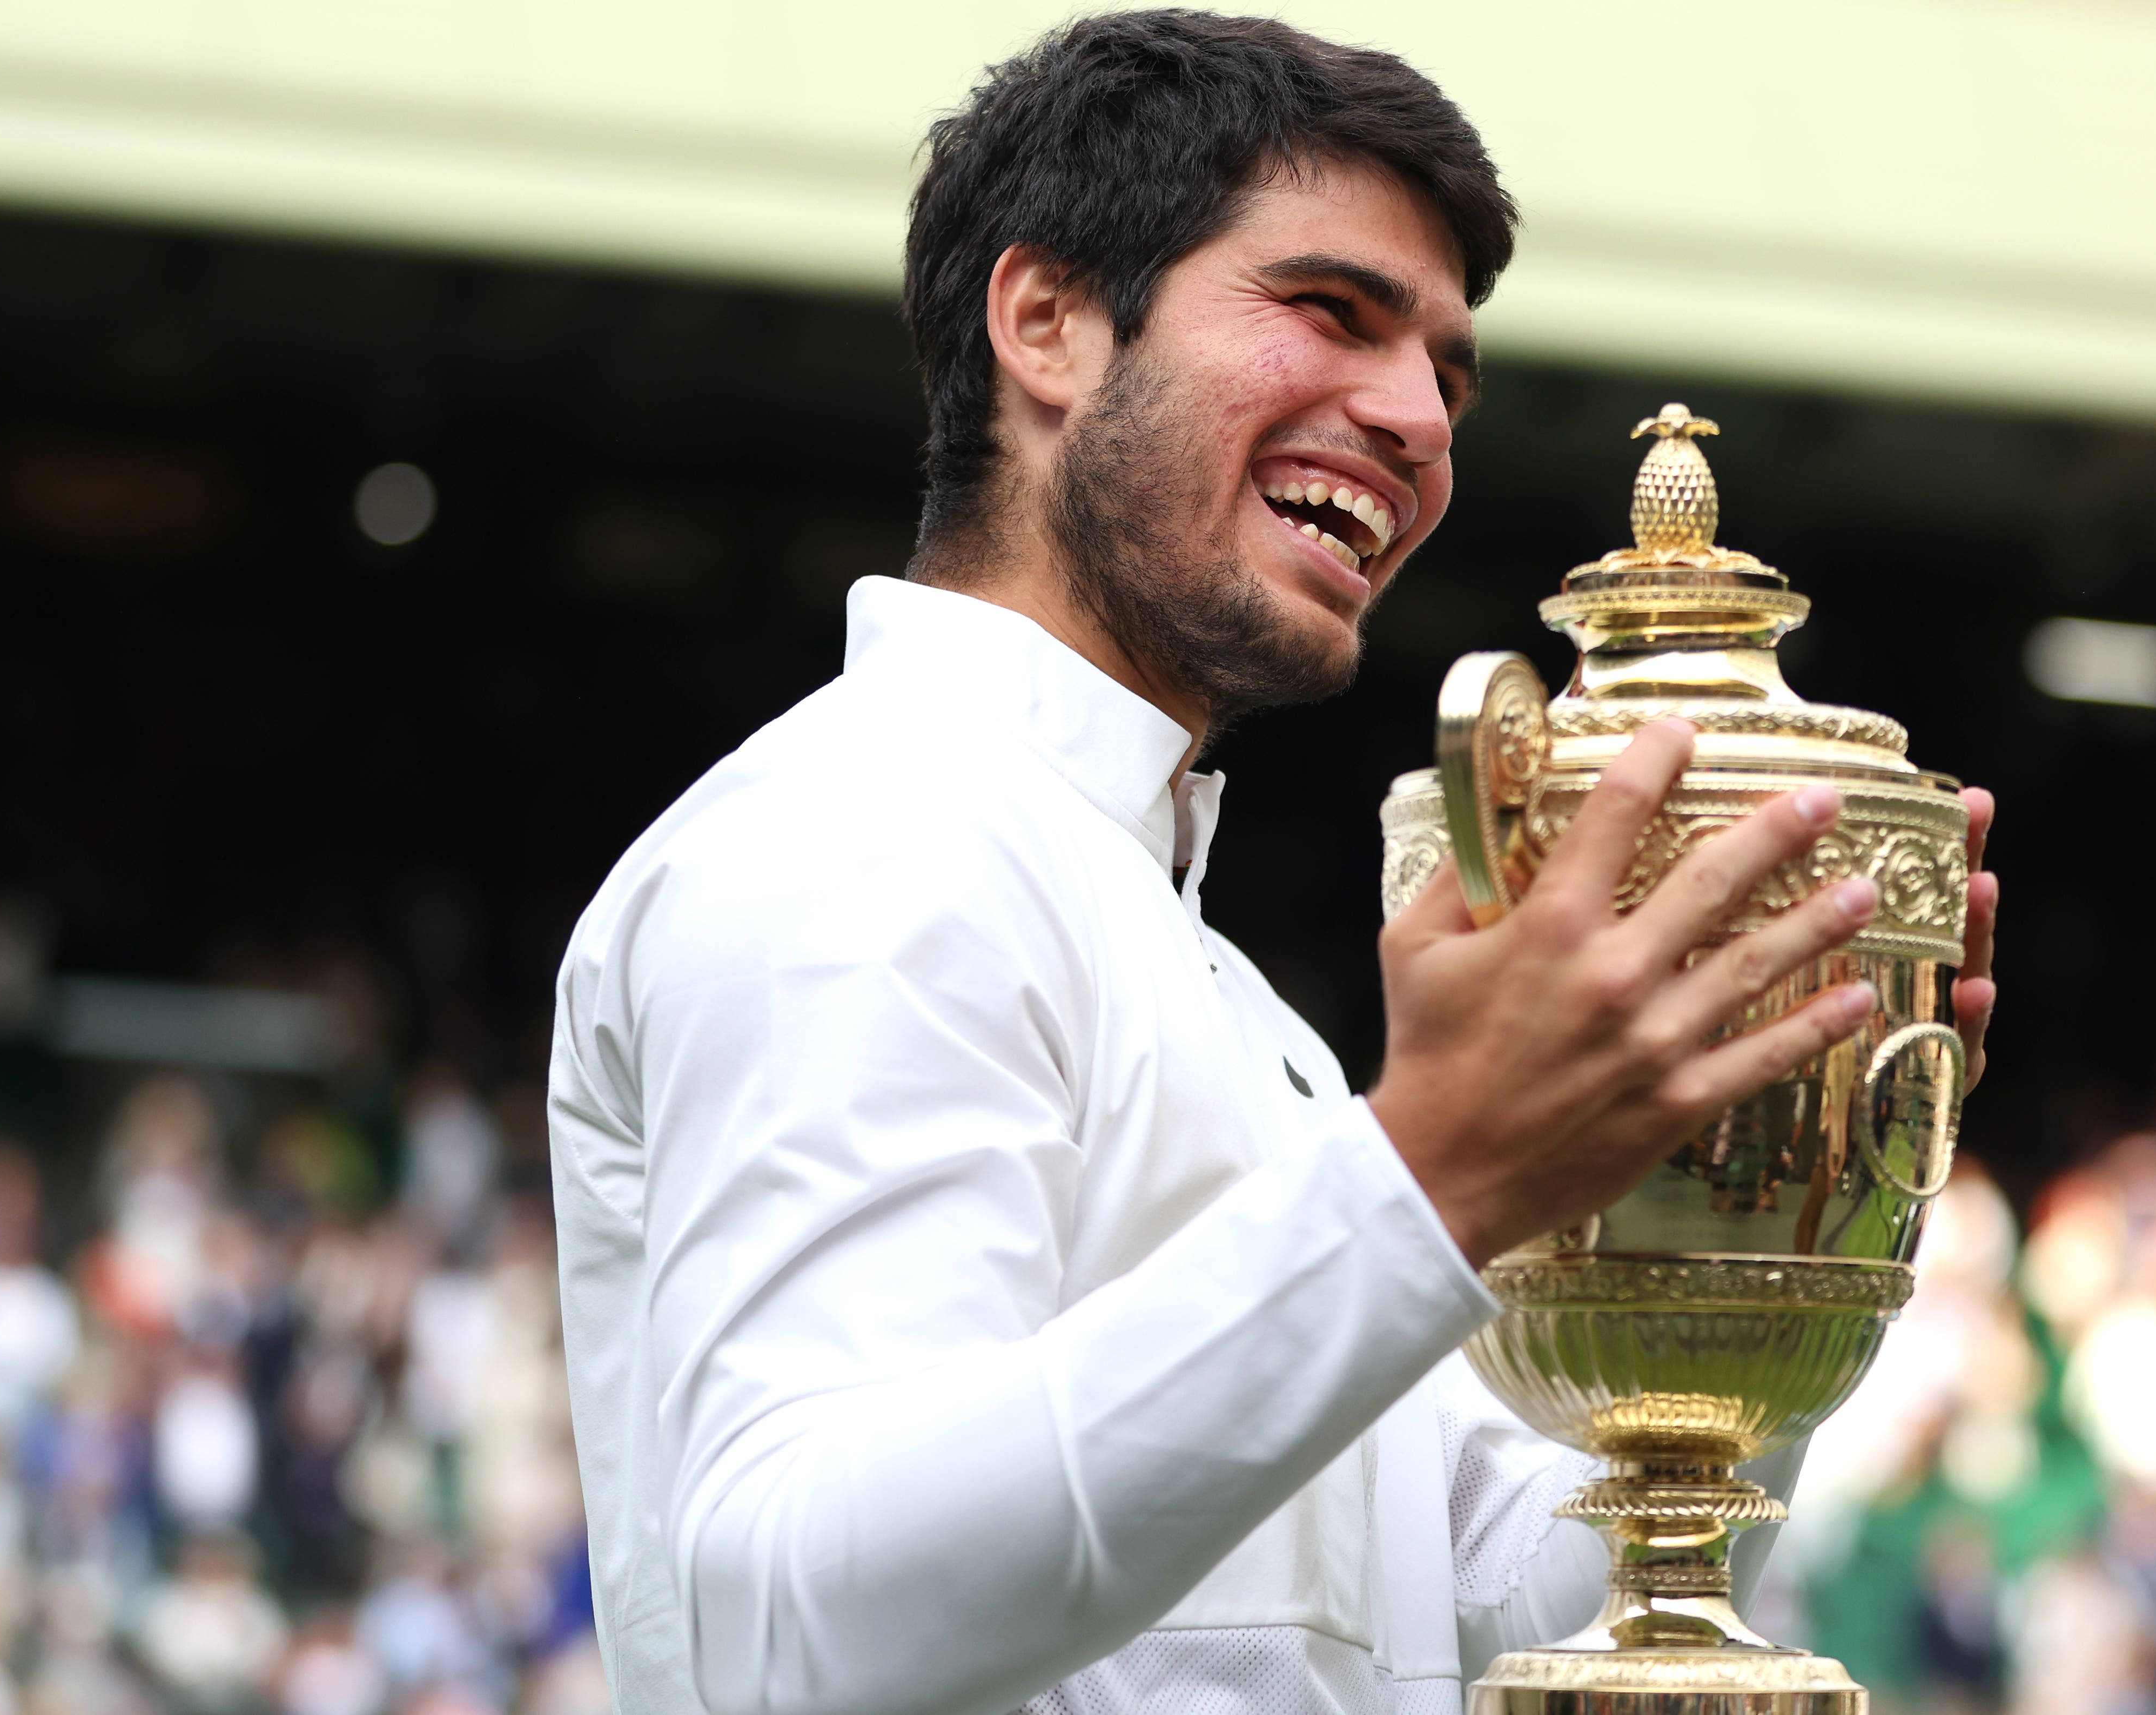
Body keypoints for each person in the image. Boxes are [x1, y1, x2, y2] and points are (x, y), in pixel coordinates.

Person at [546, 14, 1999, 1715]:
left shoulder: (1215, 987)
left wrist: (1791, 1171)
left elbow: (1503, 1594)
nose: (1414, 420)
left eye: (1447, 373)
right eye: (1331, 313)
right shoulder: (856, 841)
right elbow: (805, 1627)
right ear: (1048, 325)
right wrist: (1430, 1179)